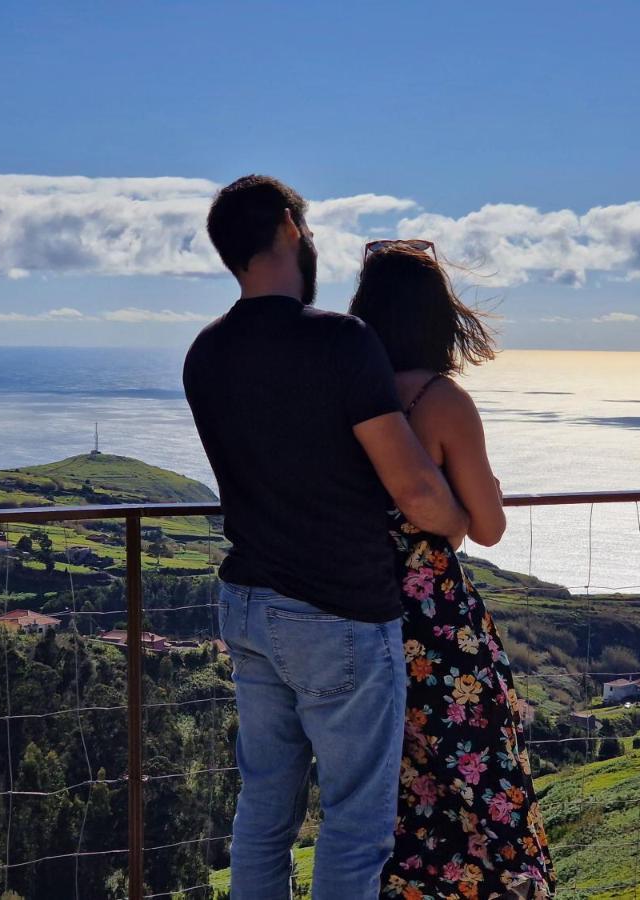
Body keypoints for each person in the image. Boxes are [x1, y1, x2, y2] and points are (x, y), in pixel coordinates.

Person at [184, 176, 471, 899]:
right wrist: (459, 522)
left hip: (247, 604)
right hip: (339, 612)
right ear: (289, 227)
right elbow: (413, 489)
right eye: (306, 230)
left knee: (265, 807)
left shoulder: (205, 353)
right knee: (354, 821)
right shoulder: (341, 342)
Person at [349, 242, 557, 899]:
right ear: (438, 316)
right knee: (485, 793)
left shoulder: (350, 395)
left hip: (354, 616)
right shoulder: (441, 402)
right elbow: (488, 527)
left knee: (396, 804)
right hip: (439, 635)